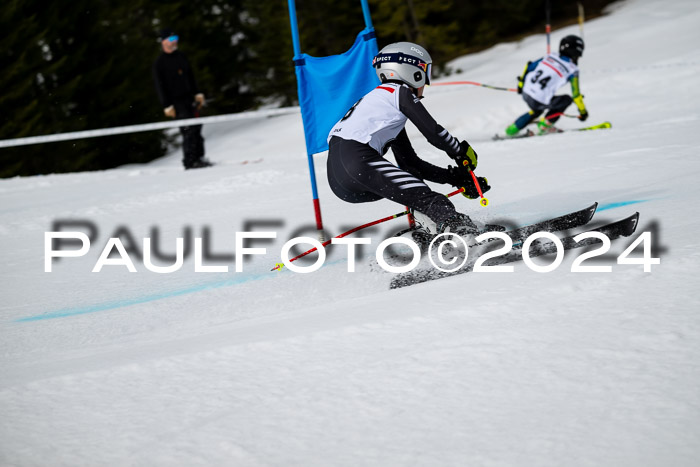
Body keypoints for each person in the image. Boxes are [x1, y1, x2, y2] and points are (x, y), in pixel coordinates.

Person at [326, 42, 491, 237]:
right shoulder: (398, 92)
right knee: (433, 201)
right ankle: (463, 237)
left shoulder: (379, 106)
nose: (426, 82)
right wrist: (459, 151)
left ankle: (431, 232)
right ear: (412, 71)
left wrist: (456, 179)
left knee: (417, 195)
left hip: (340, 179)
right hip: (358, 161)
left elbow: (411, 164)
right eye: (426, 71)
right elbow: (434, 132)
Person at [504, 35, 589, 137]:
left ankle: (511, 130)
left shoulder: (550, 56)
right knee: (566, 99)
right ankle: (543, 127)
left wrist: (521, 85)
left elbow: (529, 66)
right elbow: (576, 95)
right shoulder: (573, 69)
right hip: (539, 99)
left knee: (536, 111)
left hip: (526, 92)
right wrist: (583, 112)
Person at [152, 28, 211, 169]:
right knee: (188, 131)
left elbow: (190, 76)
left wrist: (198, 94)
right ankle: (190, 161)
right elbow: (159, 87)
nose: (175, 42)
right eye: (172, 39)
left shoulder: (181, 56)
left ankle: (199, 157)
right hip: (176, 102)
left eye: (176, 38)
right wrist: (167, 105)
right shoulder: (159, 63)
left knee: (197, 128)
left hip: (189, 98)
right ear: (164, 41)